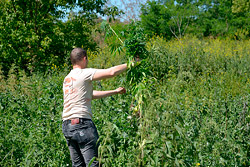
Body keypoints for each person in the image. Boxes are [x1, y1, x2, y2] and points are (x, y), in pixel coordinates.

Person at [62, 48, 127, 167]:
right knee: (93, 164)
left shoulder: (67, 79)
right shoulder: (84, 73)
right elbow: (111, 72)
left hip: (67, 126)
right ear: (84, 59)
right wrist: (131, 63)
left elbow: (90, 95)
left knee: (77, 165)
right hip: (82, 124)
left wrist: (114, 91)